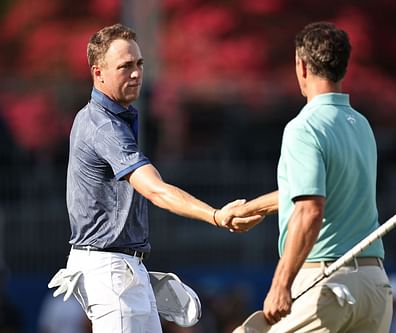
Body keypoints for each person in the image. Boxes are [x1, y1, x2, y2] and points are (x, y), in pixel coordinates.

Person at [53, 23, 261, 333]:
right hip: (109, 272)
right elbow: (156, 190)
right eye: (125, 67)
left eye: (139, 64)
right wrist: (216, 215)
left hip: (125, 270)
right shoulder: (102, 124)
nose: (136, 73)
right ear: (98, 74)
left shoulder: (116, 117)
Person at [223, 21, 393, 332]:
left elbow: (310, 209)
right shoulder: (361, 125)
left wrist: (280, 283)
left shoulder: (304, 127)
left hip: (327, 283)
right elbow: (311, 191)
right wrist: (251, 209)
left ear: (301, 66)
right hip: (375, 286)